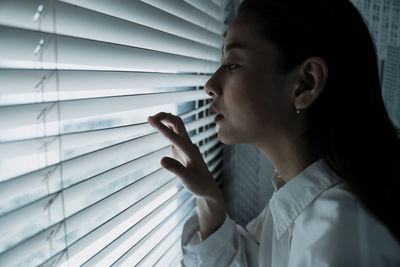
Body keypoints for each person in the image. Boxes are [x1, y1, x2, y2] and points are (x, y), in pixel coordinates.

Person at [147, 0, 400, 266]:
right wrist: (209, 198)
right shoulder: (298, 199)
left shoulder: (340, 238)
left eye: (232, 65)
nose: (210, 84)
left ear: (305, 84)